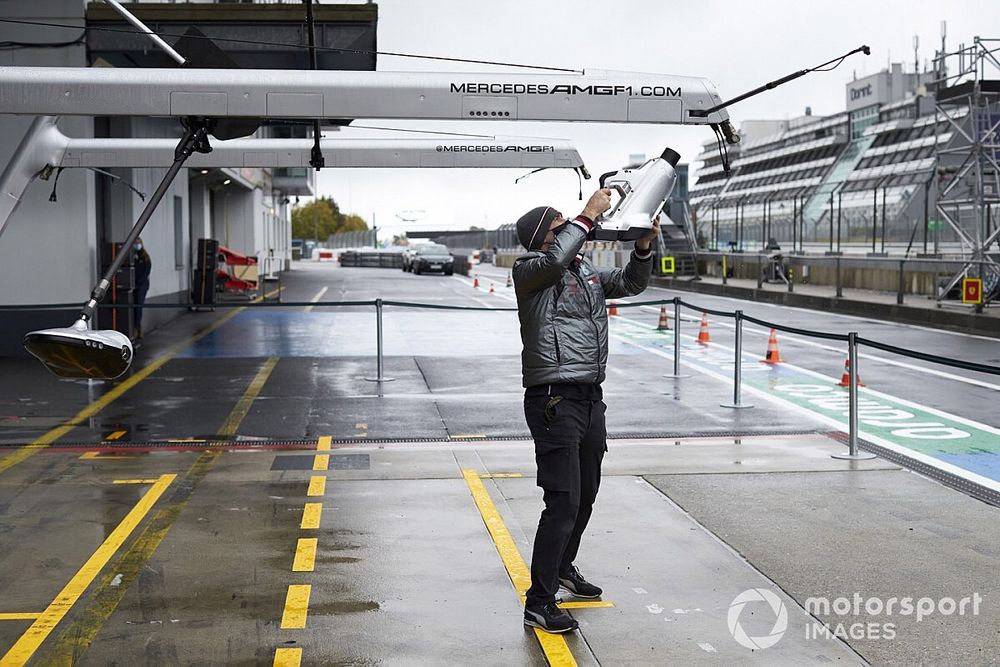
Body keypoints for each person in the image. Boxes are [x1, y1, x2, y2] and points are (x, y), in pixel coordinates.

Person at [512, 190, 659, 634]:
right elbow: (556, 260)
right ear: (544, 238)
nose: (574, 230)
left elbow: (631, 284)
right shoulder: (531, 271)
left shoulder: (586, 272)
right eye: (562, 226)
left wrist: (643, 249)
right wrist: (588, 214)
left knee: (587, 492)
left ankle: (562, 567)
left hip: (590, 398)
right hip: (553, 399)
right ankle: (539, 602)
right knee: (563, 500)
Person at [132, 237, 151, 341]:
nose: (137, 245)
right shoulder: (131, 256)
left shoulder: (145, 257)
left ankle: (137, 329)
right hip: (132, 285)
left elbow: (146, 272)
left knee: (138, 307)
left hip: (142, 286)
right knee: (133, 308)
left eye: (138, 243)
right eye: (135, 243)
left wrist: (138, 283)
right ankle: (136, 328)